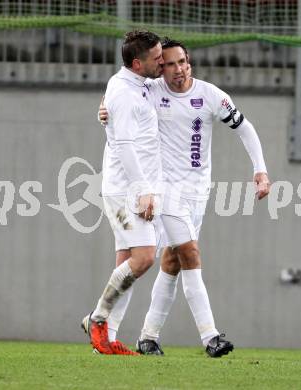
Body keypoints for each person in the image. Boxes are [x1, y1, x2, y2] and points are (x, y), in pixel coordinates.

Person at [97, 38, 270, 358]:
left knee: (171, 260)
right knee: (179, 254)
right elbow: (121, 96)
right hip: (159, 191)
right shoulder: (151, 89)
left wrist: (260, 170)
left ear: (190, 63)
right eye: (168, 64)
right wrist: (105, 109)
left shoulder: (210, 95)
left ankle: (145, 336)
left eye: (182, 63)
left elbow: (245, 128)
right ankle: (210, 337)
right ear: (158, 67)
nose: (176, 69)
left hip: (195, 192)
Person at [81, 30, 164, 355]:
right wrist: (143, 191)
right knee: (144, 258)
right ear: (137, 63)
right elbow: (125, 144)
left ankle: (107, 338)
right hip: (124, 190)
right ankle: (97, 317)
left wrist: (104, 117)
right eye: (156, 58)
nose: (161, 62)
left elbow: (116, 124)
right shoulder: (124, 93)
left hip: (132, 188)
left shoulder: (136, 85)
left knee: (126, 263)